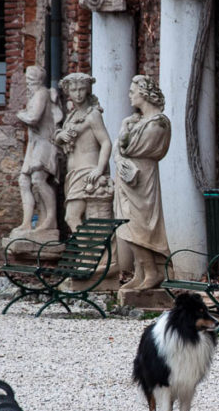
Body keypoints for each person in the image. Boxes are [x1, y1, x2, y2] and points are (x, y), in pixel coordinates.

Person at [114, 75, 172, 291]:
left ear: (144, 93)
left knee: (141, 226)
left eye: (132, 91)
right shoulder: (135, 122)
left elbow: (130, 149)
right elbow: (119, 150)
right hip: (128, 178)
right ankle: (140, 273)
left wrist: (122, 141)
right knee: (128, 225)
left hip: (143, 178)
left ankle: (152, 272)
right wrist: (123, 134)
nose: (129, 95)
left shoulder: (158, 123)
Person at [54, 73, 112, 232]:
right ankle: (87, 254)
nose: (78, 93)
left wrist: (100, 168)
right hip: (73, 173)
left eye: (81, 89)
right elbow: (59, 139)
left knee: (72, 217)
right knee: (83, 218)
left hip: (87, 171)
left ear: (87, 90)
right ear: (68, 92)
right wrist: (61, 135)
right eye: (73, 90)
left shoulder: (93, 115)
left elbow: (106, 142)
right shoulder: (72, 115)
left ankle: (87, 254)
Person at [11, 66, 61, 237]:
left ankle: (50, 220)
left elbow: (33, 118)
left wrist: (19, 114)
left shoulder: (42, 93)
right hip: (34, 144)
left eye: (29, 81)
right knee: (24, 181)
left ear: (36, 80)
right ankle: (26, 223)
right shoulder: (35, 94)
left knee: (38, 180)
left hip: (45, 142)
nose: (28, 84)